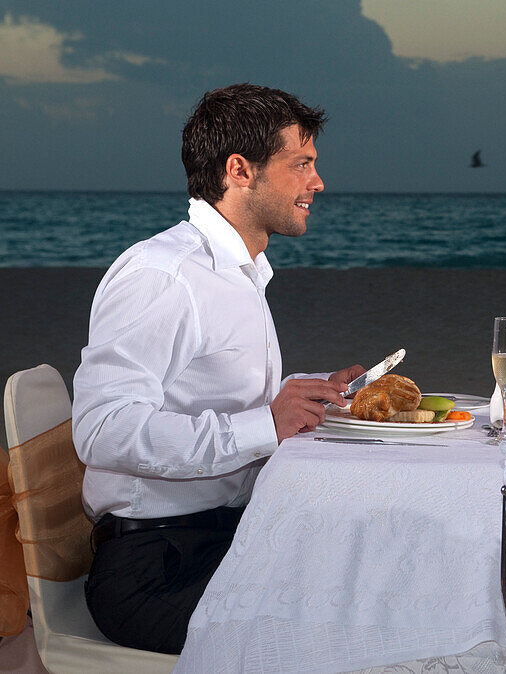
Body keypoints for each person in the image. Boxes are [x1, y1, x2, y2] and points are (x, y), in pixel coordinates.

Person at [72, 83, 366, 654]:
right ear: (240, 170)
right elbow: (102, 430)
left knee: (375, 573)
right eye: (301, 164)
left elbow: (201, 397)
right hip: (153, 572)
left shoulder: (238, 273)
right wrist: (266, 426)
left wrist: (300, 398)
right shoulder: (165, 276)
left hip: (219, 540)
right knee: (351, 631)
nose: (318, 183)